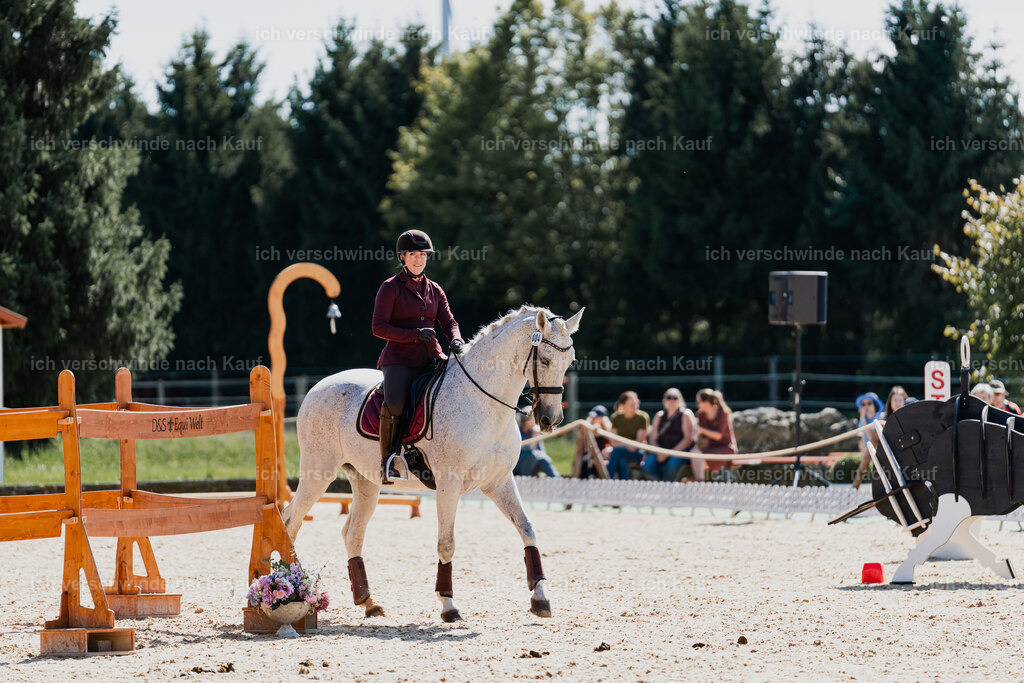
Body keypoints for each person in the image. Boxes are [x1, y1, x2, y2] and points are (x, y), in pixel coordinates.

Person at [372, 229, 465, 484]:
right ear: (402, 257)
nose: (418, 260)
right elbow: (378, 327)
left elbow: (449, 321)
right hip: (399, 359)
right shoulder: (390, 288)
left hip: (432, 356)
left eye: (422, 255)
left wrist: (456, 339)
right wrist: (413, 335)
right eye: (412, 255)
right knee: (396, 403)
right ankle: (388, 460)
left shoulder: (435, 290)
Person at [642, 388, 697, 482]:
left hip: (680, 451)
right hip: (660, 450)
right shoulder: (659, 416)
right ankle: (663, 486)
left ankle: (666, 489)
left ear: (680, 400)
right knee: (647, 467)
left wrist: (669, 453)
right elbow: (653, 439)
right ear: (664, 400)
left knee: (671, 466)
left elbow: (688, 439)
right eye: (668, 397)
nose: (671, 400)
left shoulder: (685, 414)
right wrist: (660, 452)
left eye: (675, 397)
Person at [690, 388, 737, 481]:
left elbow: (719, 435)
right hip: (711, 448)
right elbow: (704, 439)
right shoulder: (701, 414)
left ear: (706, 402)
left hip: (726, 448)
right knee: (695, 452)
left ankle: (699, 481)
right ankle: (700, 482)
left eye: (698, 402)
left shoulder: (723, 412)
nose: (697, 405)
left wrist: (701, 430)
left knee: (698, 456)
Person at [606, 391, 649, 479]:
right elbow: (613, 441)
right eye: (631, 404)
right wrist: (627, 445)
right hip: (621, 450)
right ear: (623, 405)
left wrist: (623, 445)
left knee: (616, 452)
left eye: (636, 403)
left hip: (638, 452)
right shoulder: (616, 417)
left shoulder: (642, 418)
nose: (635, 405)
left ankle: (607, 478)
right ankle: (625, 483)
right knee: (621, 459)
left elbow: (638, 442)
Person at [851, 392, 884, 489]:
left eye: (869, 403)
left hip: (880, 454)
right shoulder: (863, 420)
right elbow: (862, 440)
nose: (866, 406)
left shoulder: (880, 416)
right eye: (863, 404)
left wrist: (862, 418)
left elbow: (871, 437)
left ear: (875, 405)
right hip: (868, 455)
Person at [515, 413, 560, 477]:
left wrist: (541, 455)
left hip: (534, 460)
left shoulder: (532, 431)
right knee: (531, 455)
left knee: (544, 459)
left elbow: (541, 450)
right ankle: (524, 480)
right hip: (520, 463)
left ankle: (557, 480)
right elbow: (529, 449)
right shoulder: (518, 433)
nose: (533, 422)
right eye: (531, 420)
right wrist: (535, 434)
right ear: (524, 421)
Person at [579, 405, 613, 477]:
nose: (594, 419)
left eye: (597, 417)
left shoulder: (608, 431)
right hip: (590, 456)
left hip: (604, 457)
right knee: (586, 462)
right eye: (593, 417)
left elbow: (610, 445)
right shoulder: (587, 429)